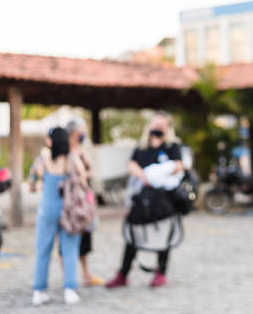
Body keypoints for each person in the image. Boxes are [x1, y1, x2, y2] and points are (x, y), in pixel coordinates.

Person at [106, 111, 184, 289]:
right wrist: (145, 177)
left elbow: (179, 165)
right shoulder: (142, 147)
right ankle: (123, 274)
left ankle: (161, 272)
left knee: (164, 235)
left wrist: (160, 173)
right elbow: (132, 164)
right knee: (133, 235)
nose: (157, 128)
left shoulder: (172, 146)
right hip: (143, 199)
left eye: (161, 125)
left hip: (163, 200)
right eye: (155, 125)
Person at [32, 127, 87, 306]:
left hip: (47, 210)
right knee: (70, 250)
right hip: (68, 210)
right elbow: (84, 182)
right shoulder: (72, 159)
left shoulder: (43, 160)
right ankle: (70, 290)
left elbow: (32, 183)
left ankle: (39, 291)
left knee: (43, 250)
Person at [63, 119, 105, 287]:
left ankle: (85, 274)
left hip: (83, 202)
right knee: (67, 238)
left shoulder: (81, 153)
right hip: (69, 203)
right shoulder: (64, 154)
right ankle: (69, 277)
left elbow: (90, 172)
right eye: (80, 132)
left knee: (85, 239)